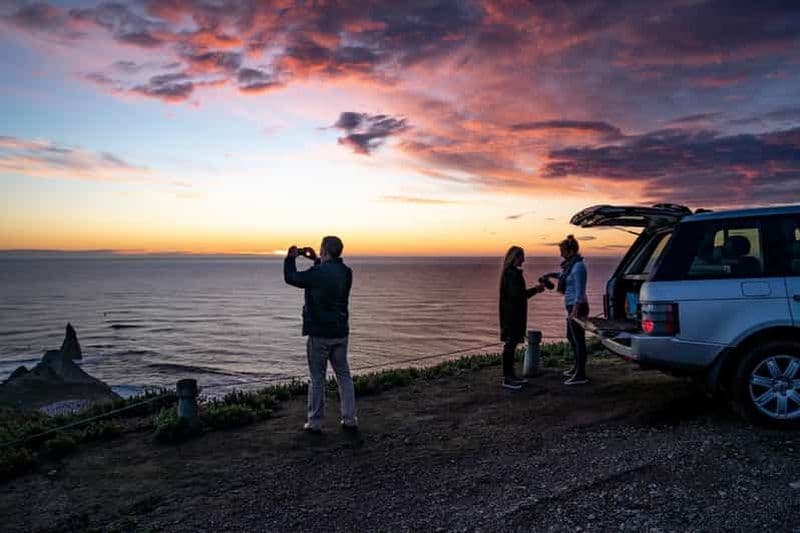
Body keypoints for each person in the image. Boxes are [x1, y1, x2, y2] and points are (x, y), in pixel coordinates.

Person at [284, 236, 357, 433]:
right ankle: (350, 419)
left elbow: (292, 278)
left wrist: (290, 258)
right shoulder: (346, 272)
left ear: (325, 250)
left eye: (321, 249)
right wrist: (316, 259)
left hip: (319, 334)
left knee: (317, 378)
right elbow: (328, 274)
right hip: (341, 332)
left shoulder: (317, 273)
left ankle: (315, 422)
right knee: (344, 375)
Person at [499, 246, 545, 391]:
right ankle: (507, 378)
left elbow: (517, 295)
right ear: (515, 257)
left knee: (511, 345)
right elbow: (518, 295)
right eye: (521, 257)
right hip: (512, 315)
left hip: (513, 314)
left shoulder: (511, 273)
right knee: (510, 346)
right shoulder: (512, 274)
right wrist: (536, 290)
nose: (524, 260)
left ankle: (511, 375)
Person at [557, 235, 590, 385]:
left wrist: (575, 312)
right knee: (571, 337)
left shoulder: (578, 267)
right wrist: (551, 275)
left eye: (562, 251)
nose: (561, 254)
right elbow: (564, 277)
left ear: (570, 251)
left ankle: (580, 374)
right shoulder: (571, 266)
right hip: (571, 306)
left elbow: (580, 292)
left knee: (578, 340)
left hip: (578, 307)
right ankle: (576, 367)